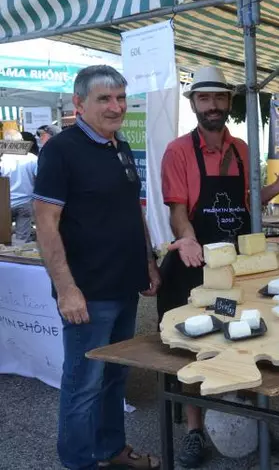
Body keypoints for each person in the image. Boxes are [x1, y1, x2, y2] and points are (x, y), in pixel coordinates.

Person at [158, 66, 279, 468]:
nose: (213, 106)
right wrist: (188, 239)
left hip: (238, 266)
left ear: (229, 103)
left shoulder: (243, 149)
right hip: (194, 264)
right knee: (191, 350)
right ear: (194, 104)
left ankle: (249, 420)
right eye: (205, 98)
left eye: (220, 98)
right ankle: (194, 430)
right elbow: (178, 211)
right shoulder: (178, 151)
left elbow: (245, 205)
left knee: (242, 341)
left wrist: (276, 188)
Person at [33, 65, 161, 470]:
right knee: (83, 385)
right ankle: (77, 463)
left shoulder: (118, 145)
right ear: (79, 103)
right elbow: (46, 224)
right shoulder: (60, 150)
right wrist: (67, 289)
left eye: (120, 98)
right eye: (105, 98)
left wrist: (147, 261)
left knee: (114, 379)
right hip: (87, 294)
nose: (116, 106)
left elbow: (131, 211)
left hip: (124, 285)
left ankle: (111, 451)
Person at [1, 130, 38, 243]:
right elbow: (39, 178)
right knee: (22, 240)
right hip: (25, 202)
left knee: (2, 239)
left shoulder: (2, 159)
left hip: (4, 204)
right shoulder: (32, 158)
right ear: (22, 141)